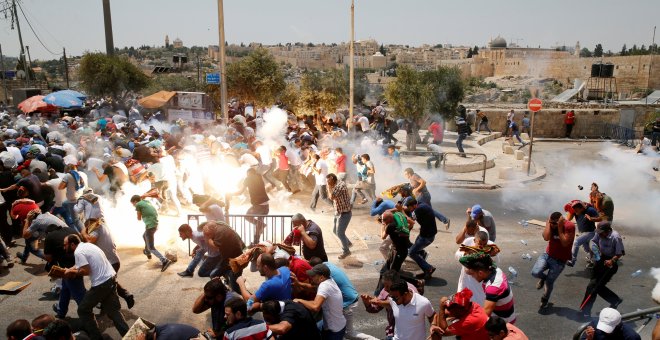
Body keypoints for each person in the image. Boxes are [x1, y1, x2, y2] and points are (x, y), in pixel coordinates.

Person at [63, 234, 129, 339]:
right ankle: (130, 336)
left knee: (83, 310)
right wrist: (70, 268)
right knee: (113, 312)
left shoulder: (78, 252)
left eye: (65, 245)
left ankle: (97, 337)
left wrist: (71, 271)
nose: (64, 247)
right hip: (111, 278)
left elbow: (85, 270)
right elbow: (81, 264)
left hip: (101, 284)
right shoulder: (88, 246)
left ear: (72, 244)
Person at [531, 212, 575, 310]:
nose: (553, 225)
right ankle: (543, 278)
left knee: (549, 282)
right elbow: (546, 238)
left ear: (561, 221)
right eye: (551, 223)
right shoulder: (550, 224)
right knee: (535, 272)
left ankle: (544, 299)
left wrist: (559, 228)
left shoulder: (569, 226)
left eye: (555, 223)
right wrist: (548, 224)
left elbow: (564, 243)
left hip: (560, 260)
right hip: (548, 255)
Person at [580, 222, 624, 317]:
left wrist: (612, 260)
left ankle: (585, 312)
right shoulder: (599, 233)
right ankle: (615, 300)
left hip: (610, 264)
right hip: (600, 260)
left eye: (601, 233)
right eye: (598, 232)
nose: (599, 234)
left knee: (593, 287)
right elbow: (594, 241)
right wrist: (594, 249)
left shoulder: (615, 237)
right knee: (595, 286)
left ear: (608, 231)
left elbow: (620, 253)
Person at [368, 278, 435, 340]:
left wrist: (433, 325)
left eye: (395, 298)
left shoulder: (423, 302)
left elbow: (432, 315)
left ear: (405, 294)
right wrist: (378, 302)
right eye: (392, 297)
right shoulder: (394, 300)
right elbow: (389, 303)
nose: (393, 300)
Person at [361, 270, 419, 340]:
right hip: (393, 331)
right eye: (384, 285)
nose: (385, 288)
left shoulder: (409, 290)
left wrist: (378, 302)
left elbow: (395, 304)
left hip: (410, 332)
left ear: (396, 284)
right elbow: (374, 309)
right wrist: (367, 302)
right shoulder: (385, 291)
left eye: (387, 286)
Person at [460, 252, 516, 323]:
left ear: (480, 273)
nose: (472, 276)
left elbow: (485, 315)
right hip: (504, 312)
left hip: (502, 322)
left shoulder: (493, 288)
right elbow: (468, 271)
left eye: (472, 274)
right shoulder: (494, 269)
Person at [295, 263, 347, 340]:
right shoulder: (329, 280)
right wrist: (298, 283)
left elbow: (315, 306)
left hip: (334, 330)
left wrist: (299, 300)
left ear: (321, 277)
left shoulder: (324, 286)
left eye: (313, 276)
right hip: (337, 324)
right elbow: (313, 288)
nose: (311, 277)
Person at [130, 195, 172, 272]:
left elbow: (139, 218)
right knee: (144, 236)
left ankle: (164, 260)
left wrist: (139, 213)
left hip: (150, 226)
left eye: (133, 204)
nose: (133, 206)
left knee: (151, 247)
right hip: (155, 224)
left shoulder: (138, 205)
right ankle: (147, 252)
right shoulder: (146, 201)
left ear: (135, 201)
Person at [203, 221, 245, 291]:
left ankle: (249, 299)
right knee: (214, 275)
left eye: (208, 234)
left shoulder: (220, 231)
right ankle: (225, 291)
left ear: (212, 229)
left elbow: (216, 246)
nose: (207, 235)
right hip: (227, 259)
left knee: (235, 286)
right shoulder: (218, 227)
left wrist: (208, 238)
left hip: (235, 259)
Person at [404, 198, 437, 279]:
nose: (409, 210)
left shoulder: (419, 209)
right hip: (426, 234)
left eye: (410, 208)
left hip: (426, 236)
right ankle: (426, 269)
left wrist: (401, 211)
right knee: (415, 248)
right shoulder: (421, 204)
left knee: (411, 253)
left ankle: (429, 268)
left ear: (414, 205)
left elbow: (411, 221)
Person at [235, 168, 269, 245]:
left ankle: (261, 226)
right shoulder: (259, 177)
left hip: (258, 206)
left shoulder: (248, 178)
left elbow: (240, 192)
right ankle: (256, 242)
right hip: (266, 205)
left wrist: (230, 194)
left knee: (247, 216)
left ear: (248, 173)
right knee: (258, 225)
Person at [565, 201, 599, 267]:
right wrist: (570, 211)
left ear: (581, 208)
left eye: (577, 210)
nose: (575, 212)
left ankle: (572, 261)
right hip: (582, 233)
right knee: (587, 249)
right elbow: (569, 219)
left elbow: (599, 218)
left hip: (590, 232)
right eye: (574, 210)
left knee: (576, 242)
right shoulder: (575, 211)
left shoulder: (590, 210)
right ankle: (593, 261)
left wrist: (591, 219)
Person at [327, 173, 352, 259]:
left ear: (333, 179)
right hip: (338, 212)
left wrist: (329, 187)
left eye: (328, 181)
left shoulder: (339, 186)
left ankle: (346, 251)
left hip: (345, 213)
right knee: (335, 231)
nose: (327, 183)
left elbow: (331, 196)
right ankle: (347, 243)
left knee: (340, 233)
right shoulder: (337, 183)